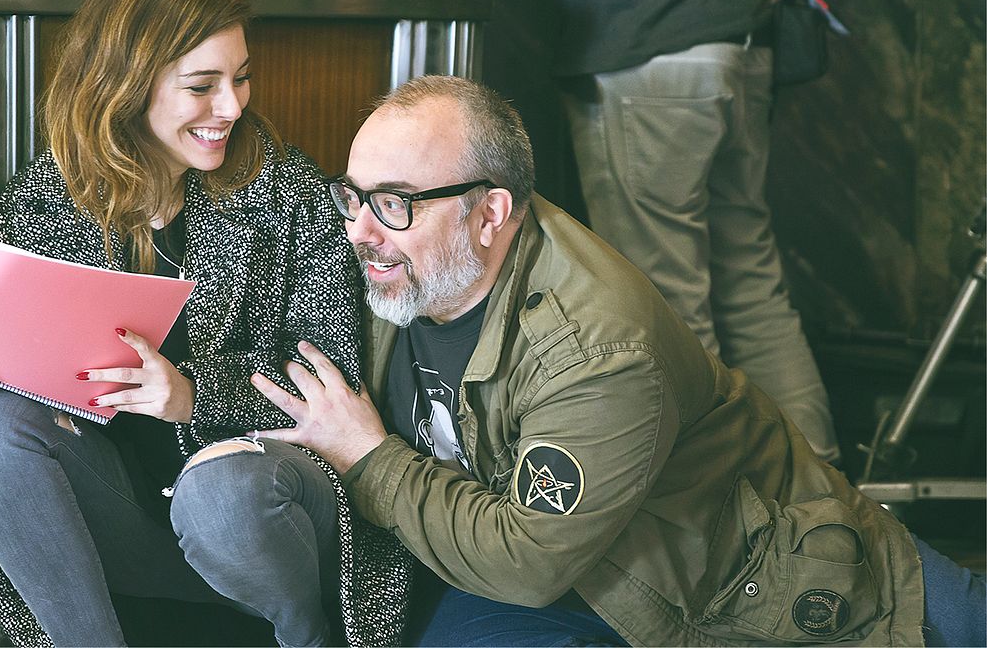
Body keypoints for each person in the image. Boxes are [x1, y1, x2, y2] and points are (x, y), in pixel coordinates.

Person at [250, 75, 986, 647]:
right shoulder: (401, 266)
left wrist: (369, 457)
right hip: (548, 585)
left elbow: (525, 560)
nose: (361, 232)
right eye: (353, 197)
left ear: (490, 213)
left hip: (737, 589)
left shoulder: (600, 351)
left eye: (395, 203)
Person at [0, 0, 407, 648]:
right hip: (133, 524)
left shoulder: (285, 192)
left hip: (267, 520)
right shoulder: (46, 200)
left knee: (224, 494)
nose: (231, 107)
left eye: (239, 79)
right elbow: (24, 399)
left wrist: (192, 396)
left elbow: (332, 386)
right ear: (127, 87)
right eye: (202, 87)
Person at [551, 0, 841, 463]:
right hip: (739, 39)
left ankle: (717, 509)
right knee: (753, 286)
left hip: (646, 37)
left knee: (668, 303)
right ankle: (824, 499)